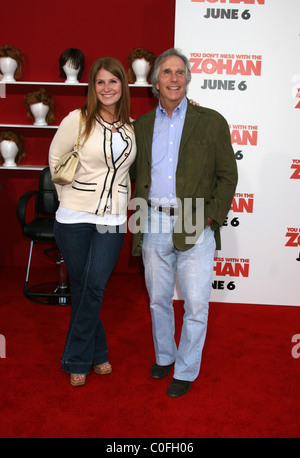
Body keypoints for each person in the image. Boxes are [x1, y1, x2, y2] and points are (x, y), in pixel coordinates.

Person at [131, 48, 238, 398]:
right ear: (155, 82)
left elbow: (227, 175)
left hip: (195, 218)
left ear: (188, 79)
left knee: (195, 303)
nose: (174, 78)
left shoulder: (211, 121)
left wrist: (210, 216)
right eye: (166, 72)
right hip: (152, 220)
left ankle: (186, 369)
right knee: (158, 299)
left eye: (180, 72)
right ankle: (165, 356)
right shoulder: (142, 126)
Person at [49, 57, 136, 387]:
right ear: (92, 87)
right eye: (100, 82)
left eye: (113, 82)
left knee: (93, 286)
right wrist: (68, 202)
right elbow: (56, 162)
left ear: (122, 87)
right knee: (86, 287)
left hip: (113, 219)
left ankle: (76, 356)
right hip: (74, 217)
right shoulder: (78, 119)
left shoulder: (131, 126)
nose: (107, 88)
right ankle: (95, 354)